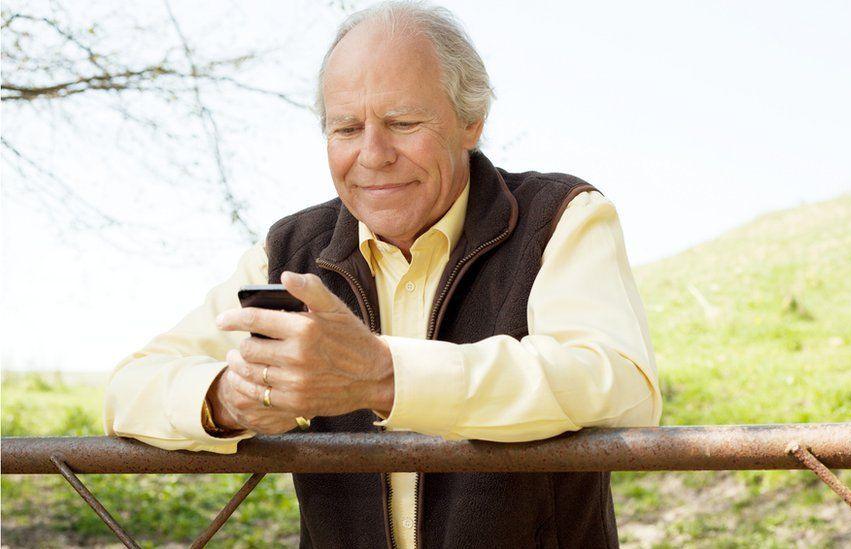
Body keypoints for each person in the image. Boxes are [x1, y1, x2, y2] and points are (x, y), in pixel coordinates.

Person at [104, 2, 662, 547]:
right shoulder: (289, 247)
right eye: (346, 128)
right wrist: (229, 398)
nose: (373, 154)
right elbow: (130, 388)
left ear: (472, 121)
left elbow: (618, 383)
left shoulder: (562, 214)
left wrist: (384, 375)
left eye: (402, 123)